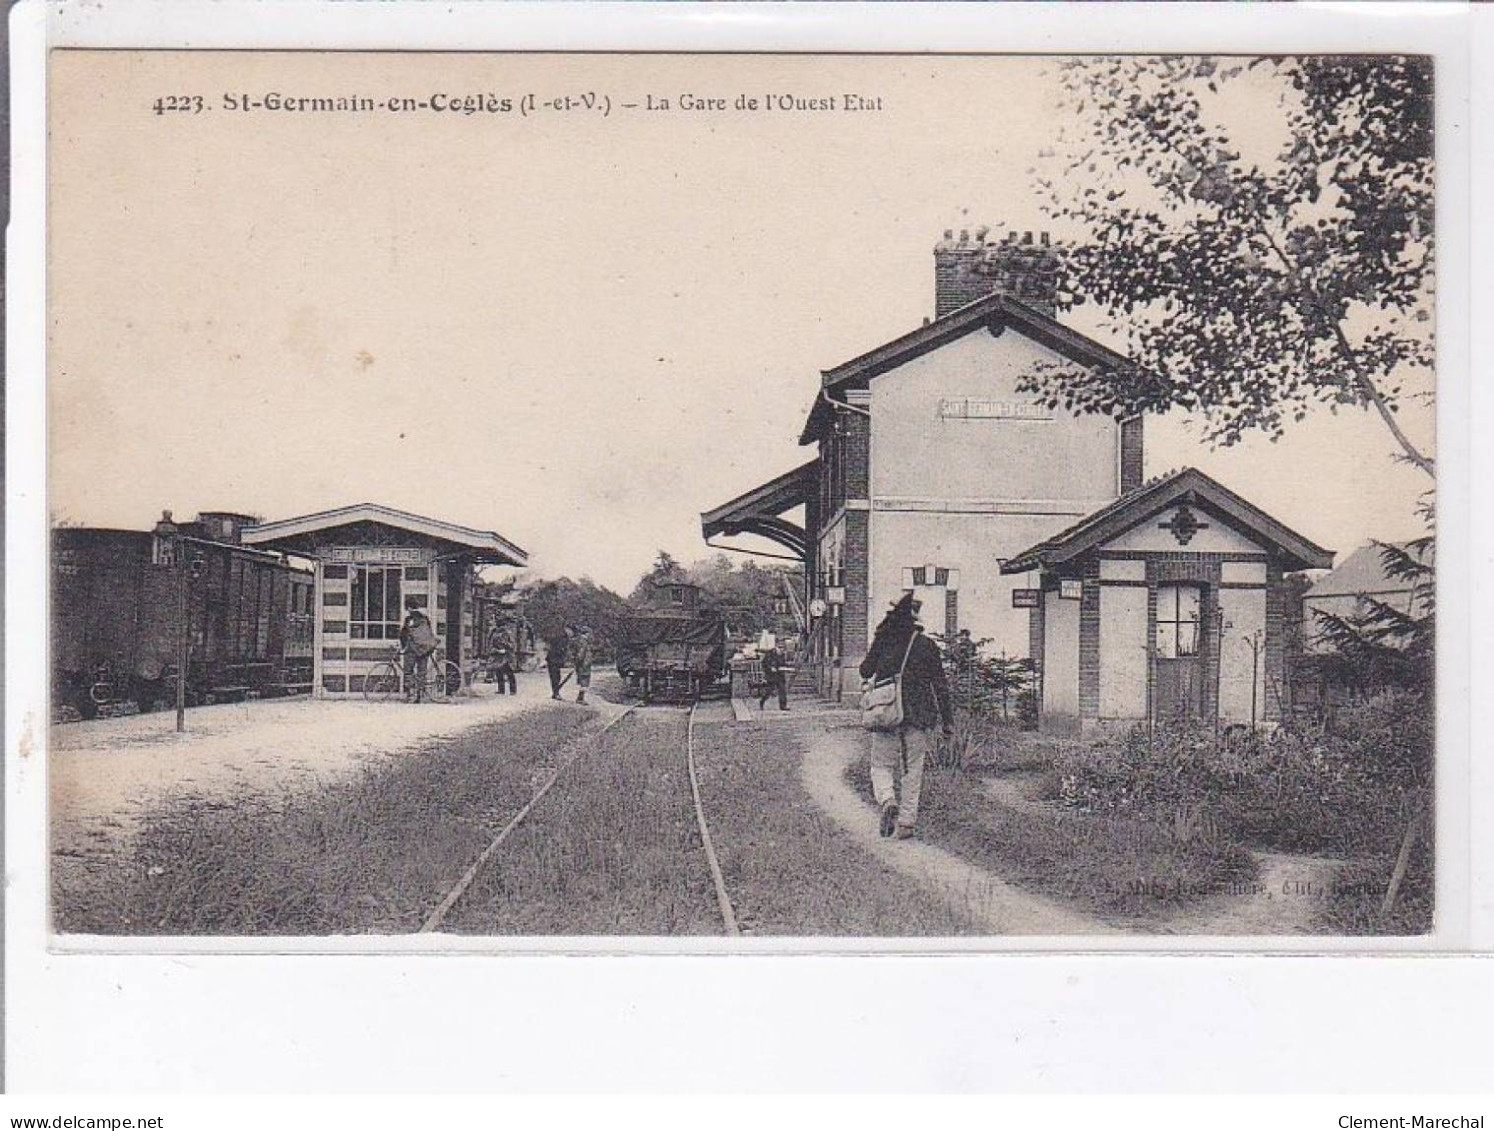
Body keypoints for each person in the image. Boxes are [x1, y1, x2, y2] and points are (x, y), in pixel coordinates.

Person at [859, 592, 953, 840]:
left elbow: (865, 670)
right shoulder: (927, 645)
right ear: (916, 620)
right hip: (919, 716)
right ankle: (907, 824)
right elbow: (940, 686)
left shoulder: (884, 639)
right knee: (913, 769)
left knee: (880, 765)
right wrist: (948, 722)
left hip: (887, 712)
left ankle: (888, 800)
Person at [399, 605, 439, 703]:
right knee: (422, 672)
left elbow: (404, 634)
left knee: (408, 671)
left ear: (408, 608)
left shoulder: (409, 619)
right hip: (425, 649)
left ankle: (410, 695)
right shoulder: (425, 618)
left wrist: (403, 647)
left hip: (412, 649)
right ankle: (420, 696)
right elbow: (429, 633)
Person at [758, 636, 789, 712]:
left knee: (782, 690)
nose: (781, 650)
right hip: (771, 675)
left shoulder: (782, 655)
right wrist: (770, 668)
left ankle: (783, 705)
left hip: (780, 675)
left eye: (783, 648)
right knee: (769, 690)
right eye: (780, 648)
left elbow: (783, 664)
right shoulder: (770, 653)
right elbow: (764, 663)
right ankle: (762, 701)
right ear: (776, 647)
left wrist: (785, 668)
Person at [485, 623, 517, 696]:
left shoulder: (508, 634)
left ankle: (513, 690)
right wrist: (494, 650)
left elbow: (512, 645)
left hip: (506, 656)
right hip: (497, 655)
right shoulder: (494, 633)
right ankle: (501, 690)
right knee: (499, 672)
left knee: (509, 673)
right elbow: (490, 644)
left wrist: (506, 648)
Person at [545, 627, 570, 700]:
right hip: (553, 660)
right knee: (555, 677)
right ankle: (556, 693)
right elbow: (559, 650)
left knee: (556, 677)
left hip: (553, 660)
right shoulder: (562, 639)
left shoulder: (561, 638)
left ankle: (555, 693)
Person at [571, 625, 593, 705]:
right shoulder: (583, 641)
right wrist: (578, 662)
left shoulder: (581, 640)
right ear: (586, 633)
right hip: (584, 665)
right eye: (589, 633)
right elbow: (581, 653)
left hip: (583, 664)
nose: (591, 635)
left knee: (584, 681)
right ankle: (580, 698)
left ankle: (580, 698)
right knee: (584, 682)